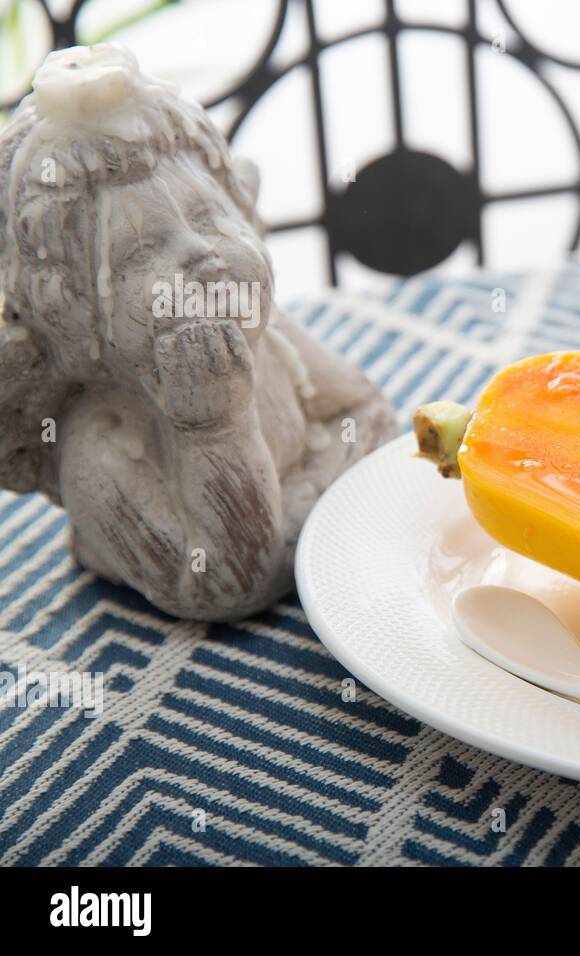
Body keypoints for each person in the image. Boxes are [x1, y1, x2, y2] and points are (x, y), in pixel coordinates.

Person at [0, 45, 393, 620]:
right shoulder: (101, 447)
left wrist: (294, 511)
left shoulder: (266, 334)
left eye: (209, 219)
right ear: (78, 317)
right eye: (140, 253)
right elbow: (227, 584)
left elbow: (371, 412)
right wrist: (214, 429)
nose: (202, 256)